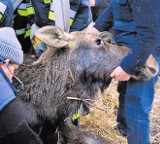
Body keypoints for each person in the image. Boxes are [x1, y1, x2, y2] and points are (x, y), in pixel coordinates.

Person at [87, 0, 160, 144]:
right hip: (128, 49)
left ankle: (138, 140)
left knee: (137, 106)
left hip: (146, 55)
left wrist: (128, 67)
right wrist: (96, 29)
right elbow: (115, 6)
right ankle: (125, 129)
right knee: (125, 91)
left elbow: (149, 35)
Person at [0, 27, 42, 144]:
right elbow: (25, 138)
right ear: (5, 63)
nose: (12, 76)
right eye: (14, 70)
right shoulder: (3, 93)